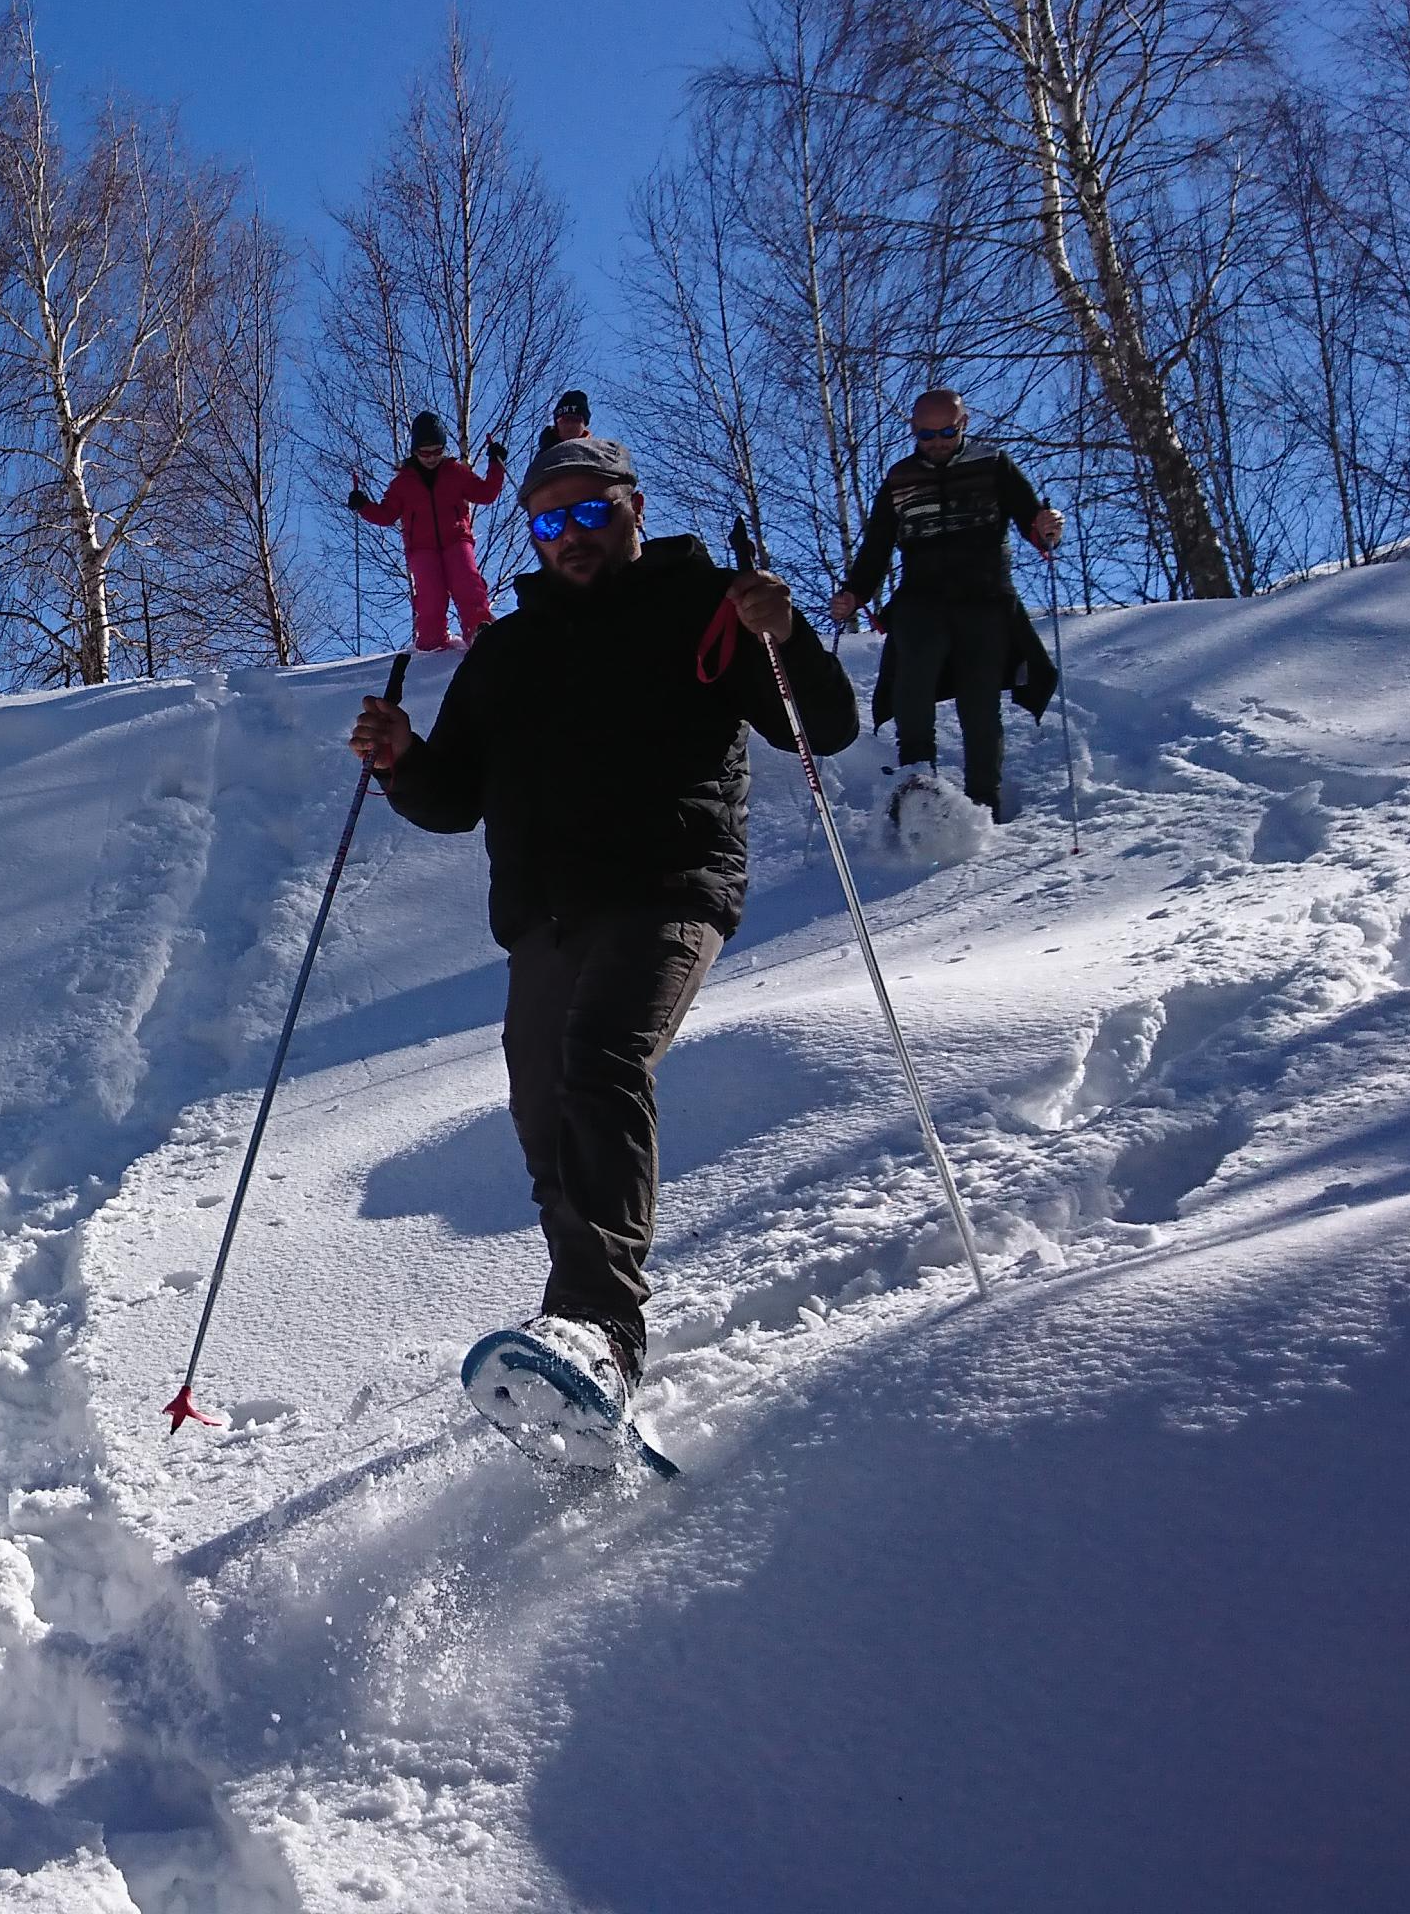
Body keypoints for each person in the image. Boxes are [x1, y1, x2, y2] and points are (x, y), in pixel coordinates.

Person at [347, 435, 859, 1421]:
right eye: (548, 521)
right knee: (546, 1114)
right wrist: (402, 758)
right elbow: (454, 797)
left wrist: (785, 633)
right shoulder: (507, 652)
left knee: (601, 1059)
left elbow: (820, 727)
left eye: (590, 512)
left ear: (634, 508)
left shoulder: (704, 603)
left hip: (670, 886)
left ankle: (599, 1328)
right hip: (546, 916)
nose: (570, 535)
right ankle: (576, 1356)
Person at [826, 390, 1066, 823]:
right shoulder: (900, 478)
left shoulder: (994, 464)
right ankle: (918, 791)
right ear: (914, 430)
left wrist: (1047, 528)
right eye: (926, 434)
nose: (936, 442)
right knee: (911, 690)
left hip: (985, 600)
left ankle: (983, 807)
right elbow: (877, 547)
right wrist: (854, 594)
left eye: (946, 432)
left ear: (963, 425)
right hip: (921, 600)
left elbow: (1032, 519)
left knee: (980, 702)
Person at [349, 411, 503, 651]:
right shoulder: (403, 484)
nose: (431, 458)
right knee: (430, 596)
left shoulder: (455, 473)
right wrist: (363, 506)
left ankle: (479, 629)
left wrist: (496, 464)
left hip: (456, 539)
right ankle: (432, 642)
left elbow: (486, 493)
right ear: (414, 451)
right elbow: (386, 514)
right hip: (422, 549)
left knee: (467, 582)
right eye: (425, 453)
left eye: (437, 451)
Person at [525, 387, 591, 488]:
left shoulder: (595, 454)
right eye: (565, 419)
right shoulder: (544, 457)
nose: (570, 425)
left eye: (575, 419)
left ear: (584, 424)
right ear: (557, 423)